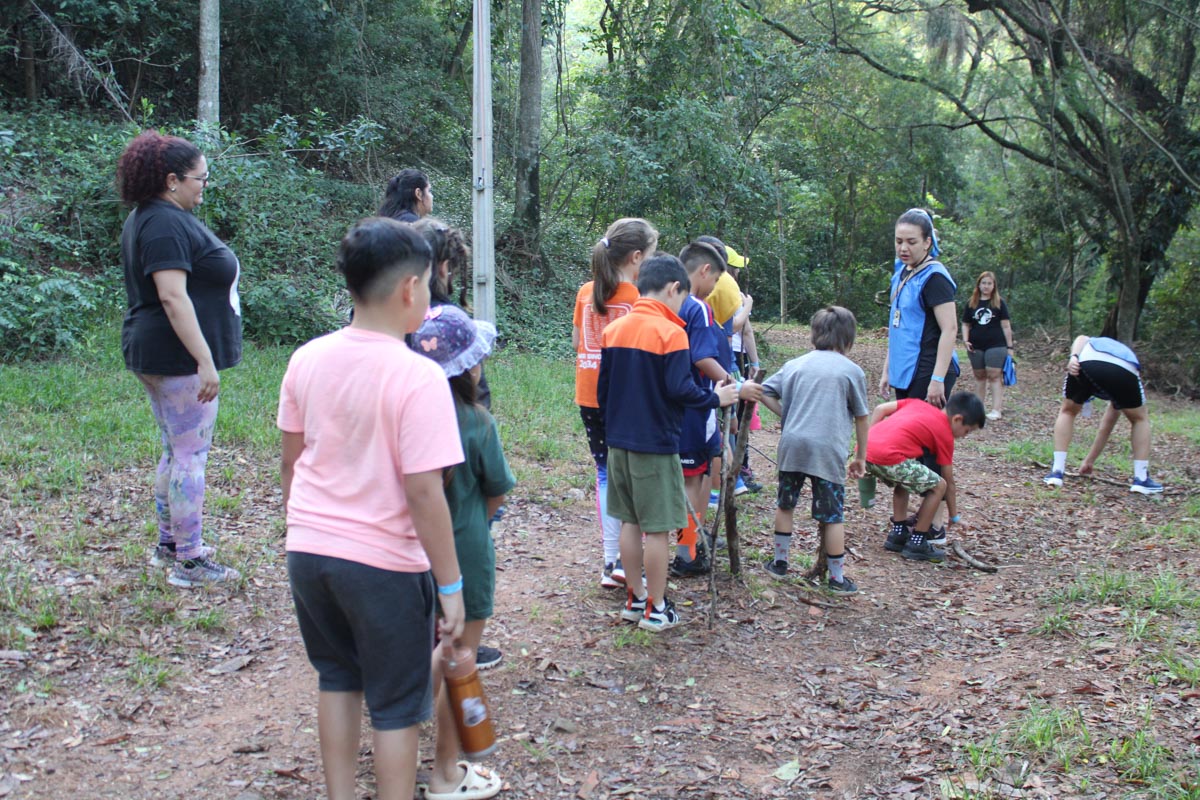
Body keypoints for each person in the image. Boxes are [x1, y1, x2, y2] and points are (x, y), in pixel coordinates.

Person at [278, 218, 466, 800]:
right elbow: (423, 492)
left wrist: (309, 529)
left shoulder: (306, 358)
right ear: (411, 288)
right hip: (383, 564)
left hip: (309, 552)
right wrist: (451, 585)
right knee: (394, 704)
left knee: (336, 679)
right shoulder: (418, 377)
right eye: (430, 287)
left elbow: (292, 462)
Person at [116, 130, 242, 588]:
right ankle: (189, 561)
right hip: (174, 356)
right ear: (172, 180)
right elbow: (172, 296)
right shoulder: (164, 223)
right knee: (190, 456)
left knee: (176, 450)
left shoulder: (153, 217)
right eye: (199, 177)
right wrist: (204, 359)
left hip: (157, 350)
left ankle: (169, 545)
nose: (203, 184)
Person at [597, 255, 739, 631]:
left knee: (629, 521)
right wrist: (716, 398)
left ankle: (635, 597)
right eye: (682, 298)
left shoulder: (615, 329)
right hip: (655, 444)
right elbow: (681, 389)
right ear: (674, 289)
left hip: (619, 442)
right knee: (657, 528)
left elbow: (603, 391)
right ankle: (657, 607)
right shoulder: (671, 333)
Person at [412, 305, 511, 800]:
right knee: (459, 660)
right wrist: (477, 519)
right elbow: (496, 490)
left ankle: (399, 744)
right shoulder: (476, 421)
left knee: (422, 652)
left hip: (409, 554)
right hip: (466, 553)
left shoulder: (404, 416)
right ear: (469, 366)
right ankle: (445, 772)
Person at [740, 306, 870, 593]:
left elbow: (763, 392)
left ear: (814, 334)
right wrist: (861, 455)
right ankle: (836, 578)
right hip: (828, 450)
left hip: (793, 445)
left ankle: (779, 564)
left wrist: (787, 415)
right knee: (833, 515)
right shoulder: (851, 371)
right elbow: (862, 415)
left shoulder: (795, 364)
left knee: (786, 503)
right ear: (848, 339)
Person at [572, 218, 659, 589]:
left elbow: (579, 341)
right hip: (627, 399)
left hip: (588, 394)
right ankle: (627, 560)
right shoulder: (641, 298)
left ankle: (611, 561)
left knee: (606, 473)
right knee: (632, 476)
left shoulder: (585, 292)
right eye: (650, 256)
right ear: (637, 257)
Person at [670, 240, 732, 578]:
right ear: (704, 271)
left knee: (699, 475)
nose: (713, 290)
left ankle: (694, 541)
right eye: (716, 281)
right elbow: (702, 358)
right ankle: (686, 551)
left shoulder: (665, 301)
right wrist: (731, 386)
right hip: (696, 405)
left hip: (674, 405)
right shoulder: (697, 308)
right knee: (691, 483)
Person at [865, 392, 986, 563]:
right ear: (957, 419)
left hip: (865, 453)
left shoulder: (917, 403)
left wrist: (868, 441)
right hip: (888, 458)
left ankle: (898, 533)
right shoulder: (945, 433)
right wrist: (954, 516)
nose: (964, 436)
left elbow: (880, 408)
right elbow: (949, 482)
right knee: (939, 485)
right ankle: (918, 541)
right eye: (967, 431)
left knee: (906, 475)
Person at [1043, 336, 1164, 494]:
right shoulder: (1122, 356)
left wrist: (1074, 357)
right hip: (1124, 369)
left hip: (1086, 361)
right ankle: (1141, 479)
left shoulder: (1094, 344)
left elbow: (1081, 338)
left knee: (1068, 411)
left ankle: (1057, 472)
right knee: (1139, 419)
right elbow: (1106, 427)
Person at [880, 208, 960, 407]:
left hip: (928, 369)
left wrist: (937, 379)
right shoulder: (901, 273)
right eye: (899, 241)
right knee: (905, 434)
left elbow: (950, 329)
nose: (903, 248)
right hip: (906, 369)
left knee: (919, 436)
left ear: (927, 242)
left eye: (911, 242)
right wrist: (887, 370)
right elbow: (898, 326)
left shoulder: (935, 278)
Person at [961, 271, 1013, 421]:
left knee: (994, 375)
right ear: (979, 284)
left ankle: (996, 409)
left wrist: (1010, 348)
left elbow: (1006, 326)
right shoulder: (972, 303)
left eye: (989, 283)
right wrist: (965, 340)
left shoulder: (999, 303)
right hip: (976, 345)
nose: (986, 286)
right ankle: (978, 410)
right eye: (983, 283)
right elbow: (965, 324)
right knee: (979, 376)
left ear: (994, 285)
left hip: (996, 345)